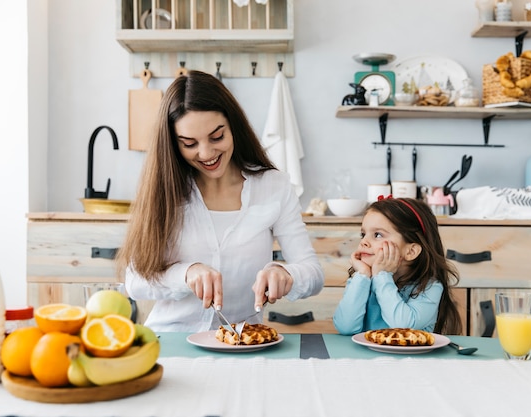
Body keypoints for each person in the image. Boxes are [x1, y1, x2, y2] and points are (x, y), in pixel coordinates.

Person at [116, 70, 324, 332]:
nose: (206, 153)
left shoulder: (274, 186)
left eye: (217, 137)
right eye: (189, 143)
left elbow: (313, 273)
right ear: (173, 144)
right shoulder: (165, 190)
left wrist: (287, 275)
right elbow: (135, 282)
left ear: (233, 126)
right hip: (171, 339)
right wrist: (187, 273)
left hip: (243, 344)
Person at [333, 195, 461, 335]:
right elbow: (345, 327)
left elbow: (404, 328)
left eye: (378, 235)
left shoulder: (429, 287)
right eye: (363, 234)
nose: (364, 242)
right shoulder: (362, 281)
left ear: (411, 251)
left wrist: (382, 276)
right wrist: (362, 275)